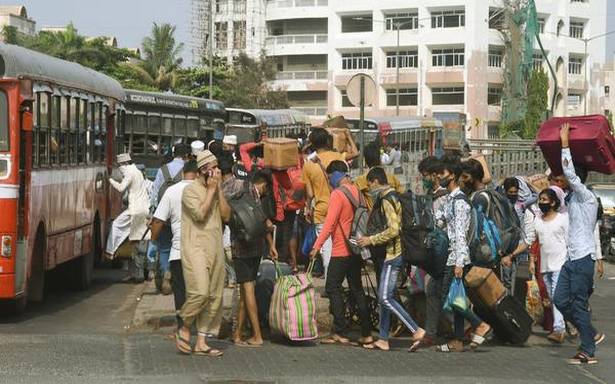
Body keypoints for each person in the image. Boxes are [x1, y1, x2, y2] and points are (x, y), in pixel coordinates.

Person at [358, 167, 425, 352]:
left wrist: (370, 239)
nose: (369, 188)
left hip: (392, 255)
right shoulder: (394, 196)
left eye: (370, 184)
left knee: (385, 297)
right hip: (395, 254)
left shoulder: (387, 200)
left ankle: (416, 329)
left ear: (376, 182)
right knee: (383, 298)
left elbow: (394, 229)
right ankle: (383, 338)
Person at [309, 160, 373, 346]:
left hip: (341, 249)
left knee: (332, 287)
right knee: (357, 289)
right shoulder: (357, 193)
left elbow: (329, 224)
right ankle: (367, 333)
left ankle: (340, 331)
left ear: (336, 175)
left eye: (329, 177)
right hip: (356, 248)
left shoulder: (338, 194)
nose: (329, 181)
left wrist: (316, 246)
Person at [553, 122, 601, 365]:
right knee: (560, 300)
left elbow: (570, 173)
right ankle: (589, 331)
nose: (563, 180)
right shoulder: (572, 198)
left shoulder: (586, 196)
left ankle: (588, 349)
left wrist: (564, 144)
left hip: (583, 259)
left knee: (578, 304)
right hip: (571, 259)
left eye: (566, 178)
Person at [175, 150, 231, 357]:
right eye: (212, 168)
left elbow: (226, 216)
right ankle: (184, 324)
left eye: (217, 168)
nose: (216, 172)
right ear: (202, 171)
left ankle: (201, 342)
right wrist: (210, 191)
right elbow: (199, 214)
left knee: (215, 296)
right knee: (200, 292)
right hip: (195, 247)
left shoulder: (216, 189)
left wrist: (219, 191)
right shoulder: (189, 191)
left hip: (214, 246)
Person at [435, 156, 491, 352]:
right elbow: (441, 224)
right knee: (457, 298)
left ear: (453, 176)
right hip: (454, 256)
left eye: (442, 174)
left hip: (457, 258)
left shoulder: (460, 202)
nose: (439, 177)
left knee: (447, 298)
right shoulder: (451, 199)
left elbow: (460, 235)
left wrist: (459, 263)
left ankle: (479, 324)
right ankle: (458, 340)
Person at [150, 159, 199, 329]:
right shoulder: (203, 191)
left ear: (184, 173)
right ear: (198, 173)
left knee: (180, 292)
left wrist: (153, 241)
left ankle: (182, 328)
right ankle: (197, 327)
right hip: (199, 252)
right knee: (197, 291)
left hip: (178, 252)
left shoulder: (171, 191)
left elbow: (157, 221)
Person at [524, 188, 569, 343]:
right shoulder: (537, 221)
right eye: (540, 199)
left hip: (560, 264)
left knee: (556, 297)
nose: (542, 202)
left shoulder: (563, 219)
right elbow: (531, 241)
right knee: (551, 297)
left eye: (545, 200)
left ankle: (559, 329)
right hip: (544, 266)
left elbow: (570, 241)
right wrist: (530, 259)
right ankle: (572, 321)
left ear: (554, 202)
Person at [302, 128, 347, 280]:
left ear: (312, 144)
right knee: (340, 248)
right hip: (342, 208)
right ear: (328, 141)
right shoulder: (339, 157)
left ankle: (330, 285)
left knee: (326, 251)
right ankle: (339, 283)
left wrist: (307, 208)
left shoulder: (308, 163)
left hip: (322, 210)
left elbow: (309, 193)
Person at [415, 156, 449, 348]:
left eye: (426, 175)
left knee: (439, 292)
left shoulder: (445, 197)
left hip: (447, 252)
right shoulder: (431, 195)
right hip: (436, 251)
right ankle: (432, 332)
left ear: (435, 175)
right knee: (433, 291)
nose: (424, 178)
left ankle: (475, 325)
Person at [151, 143, 190, 294]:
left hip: (164, 215)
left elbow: (155, 194)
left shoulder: (163, 169)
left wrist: (154, 213)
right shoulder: (186, 170)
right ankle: (179, 277)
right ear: (186, 155)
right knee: (181, 246)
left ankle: (166, 272)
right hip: (181, 215)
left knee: (164, 247)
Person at [105, 153, 150, 272]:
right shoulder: (138, 172)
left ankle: (110, 252)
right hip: (144, 209)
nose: (120, 170)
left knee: (116, 225)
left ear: (124, 164)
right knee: (137, 240)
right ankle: (138, 272)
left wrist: (109, 180)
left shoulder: (129, 172)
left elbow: (120, 188)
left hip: (135, 210)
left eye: (120, 166)